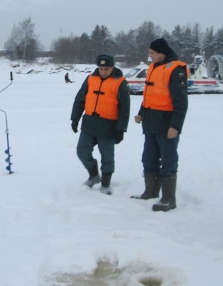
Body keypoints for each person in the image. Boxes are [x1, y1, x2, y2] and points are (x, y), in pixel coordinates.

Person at [132, 38, 188, 212]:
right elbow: (150, 95)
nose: (150, 56)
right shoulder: (153, 67)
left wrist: (175, 126)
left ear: (162, 52)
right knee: (149, 158)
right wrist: (141, 112)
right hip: (150, 122)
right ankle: (151, 191)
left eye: (152, 53)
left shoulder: (175, 69)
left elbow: (181, 102)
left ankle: (168, 199)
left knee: (168, 160)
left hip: (167, 124)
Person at [71, 54, 130, 195]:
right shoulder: (90, 79)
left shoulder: (120, 82)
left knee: (107, 157)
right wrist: (75, 119)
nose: (103, 71)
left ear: (112, 67)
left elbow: (125, 108)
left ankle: (105, 184)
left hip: (108, 126)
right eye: (101, 68)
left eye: (107, 69)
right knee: (81, 151)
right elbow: (80, 99)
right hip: (89, 124)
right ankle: (94, 175)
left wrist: (121, 129)